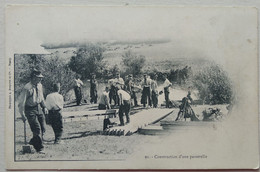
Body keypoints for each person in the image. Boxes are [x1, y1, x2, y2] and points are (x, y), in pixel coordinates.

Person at [18, 69, 48, 153]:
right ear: (34, 78)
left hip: (38, 107)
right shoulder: (27, 88)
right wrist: (22, 114)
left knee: (43, 127)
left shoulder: (39, 85)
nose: (41, 79)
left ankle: (33, 141)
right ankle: (39, 148)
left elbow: (41, 98)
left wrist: (44, 107)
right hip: (29, 109)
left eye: (41, 78)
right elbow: (21, 103)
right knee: (36, 128)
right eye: (39, 78)